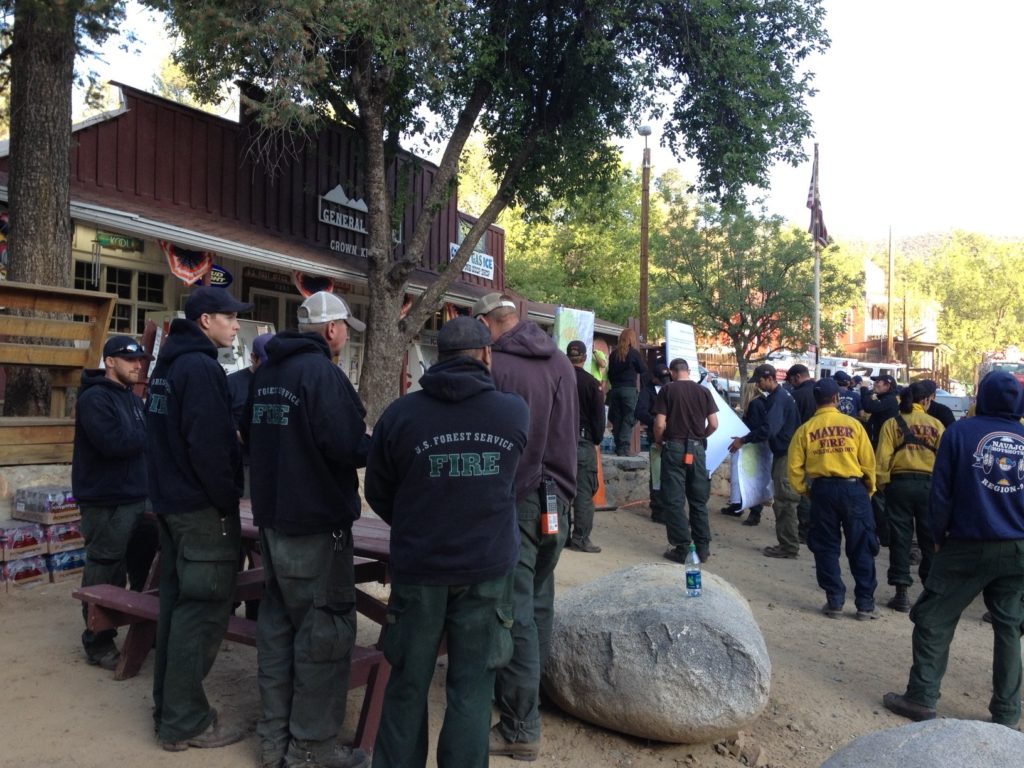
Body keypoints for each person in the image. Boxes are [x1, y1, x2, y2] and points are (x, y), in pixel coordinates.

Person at [365, 316, 528, 768]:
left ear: (437, 359)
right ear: (486, 356)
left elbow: (378, 490)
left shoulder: (401, 414)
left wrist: (419, 522)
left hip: (419, 569)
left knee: (407, 682)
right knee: (472, 687)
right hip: (486, 570)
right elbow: (511, 477)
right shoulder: (512, 411)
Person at [244, 291, 370, 768]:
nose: (342, 339)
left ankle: (274, 744)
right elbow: (347, 446)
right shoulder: (322, 375)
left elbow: (249, 436)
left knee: (277, 631)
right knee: (324, 636)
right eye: (343, 331)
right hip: (317, 528)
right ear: (333, 330)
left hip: (273, 524)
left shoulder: (266, 374)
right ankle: (311, 753)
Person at [471, 292, 578, 763]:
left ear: (489, 323)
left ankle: (519, 725)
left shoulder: (497, 365)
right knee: (537, 606)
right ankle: (528, 701)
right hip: (558, 501)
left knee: (511, 613)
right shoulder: (560, 363)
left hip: (517, 499)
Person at [883, 371, 1024, 727]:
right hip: (1019, 548)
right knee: (1009, 626)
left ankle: (921, 697)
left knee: (933, 617)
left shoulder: (960, 433)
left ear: (982, 396)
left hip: (967, 544)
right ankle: (1007, 713)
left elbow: (941, 492)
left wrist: (937, 537)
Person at [146, 285, 250, 751]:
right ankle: (186, 720)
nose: (235, 324)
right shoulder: (201, 369)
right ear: (205, 320)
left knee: (176, 607)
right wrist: (227, 498)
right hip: (200, 509)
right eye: (229, 317)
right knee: (203, 611)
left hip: (170, 505)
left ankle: (168, 707)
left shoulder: (166, 366)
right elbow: (209, 446)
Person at [72, 335, 151, 670]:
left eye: (140, 360)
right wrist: (155, 432)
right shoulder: (94, 399)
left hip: (136, 498)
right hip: (105, 500)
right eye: (129, 359)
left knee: (143, 568)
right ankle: (99, 642)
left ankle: (143, 631)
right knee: (105, 570)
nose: (137, 365)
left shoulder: (131, 399)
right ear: (110, 362)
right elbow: (114, 443)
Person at [788, 377, 878, 620]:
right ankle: (865, 605)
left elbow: (794, 468)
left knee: (825, 546)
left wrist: (806, 491)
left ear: (815, 401)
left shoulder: (805, 429)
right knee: (861, 546)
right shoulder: (854, 425)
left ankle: (835, 601)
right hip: (853, 489)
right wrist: (867, 490)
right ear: (837, 399)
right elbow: (868, 463)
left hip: (822, 491)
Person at [874, 381, 944, 612]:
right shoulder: (936, 425)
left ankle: (901, 593)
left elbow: (882, 459)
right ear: (925, 401)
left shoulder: (891, 424)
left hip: (899, 485)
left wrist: (883, 485)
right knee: (929, 539)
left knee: (900, 538)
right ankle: (930, 592)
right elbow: (945, 462)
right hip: (929, 487)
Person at [652, 358, 719, 563]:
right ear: (688, 371)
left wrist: (659, 441)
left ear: (672, 372)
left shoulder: (667, 391)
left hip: (674, 447)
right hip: (697, 449)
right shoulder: (703, 391)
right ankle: (703, 547)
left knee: (674, 500)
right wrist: (700, 438)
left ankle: (682, 547)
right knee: (698, 500)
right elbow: (714, 424)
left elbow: (660, 423)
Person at [730, 365, 801, 551]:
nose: (759, 386)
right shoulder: (781, 396)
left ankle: (788, 546)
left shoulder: (778, 399)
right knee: (783, 499)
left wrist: (744, 440)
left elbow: (769, 429)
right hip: (785, 452)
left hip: (785, 454)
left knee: (785, 501)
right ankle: (787, 543)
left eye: (760, 381)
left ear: (769, 378)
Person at [566, 340, 605, 553]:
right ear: (585, 357)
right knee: (583, 492)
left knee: (559, 490)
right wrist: (596, 439)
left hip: (559, 441)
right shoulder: (591, 383)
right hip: (583, 441)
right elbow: (599, 418)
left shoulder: (558, 378)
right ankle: (580, 538)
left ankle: (560, 534)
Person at [860, 374, 900, 546]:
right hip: (876, 449)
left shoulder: (890, 401)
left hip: (882, 452)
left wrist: (864, 390)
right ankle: (879, 529)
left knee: (878, 493)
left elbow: (869, 407)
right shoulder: (884, 399)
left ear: (888, 385)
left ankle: (885, 533)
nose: (875, 385)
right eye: (874, 382)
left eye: (878, 382)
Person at [722, 381, 769, 526]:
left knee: (749, 478)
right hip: (757, 444)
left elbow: (753, 427)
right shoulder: (763, 402)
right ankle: (742, 506)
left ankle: (753, 511)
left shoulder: (754, 404)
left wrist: (742, 438)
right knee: (750, 477)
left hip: (751, 445)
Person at [635, 362, 672, 523]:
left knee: (672, 476)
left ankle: (671, 507)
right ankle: (657, 509)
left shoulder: (673, 388)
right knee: (657, 475)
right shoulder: (647, 391)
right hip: (656, 437)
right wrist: (656, 421)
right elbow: (639, 411)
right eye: (661, 378)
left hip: (674, 437)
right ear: (654, 378)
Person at [786, 364, 817, 543]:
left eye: (791, 380)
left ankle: (804, 531)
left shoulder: (796, 396)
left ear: (797, 377)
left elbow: (791, 423)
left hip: (802, 447)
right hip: (821, 447)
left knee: (805, 490)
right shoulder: (819, 392)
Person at [606, 328, 646, 456]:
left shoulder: (613, 355)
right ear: (631, 339)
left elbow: (609, 374)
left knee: (617, 417)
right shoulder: (633, 353)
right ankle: (624, 447)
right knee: (630, 417)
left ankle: (618, 446)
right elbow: (642, 369)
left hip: (615, 389)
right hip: (628, 390)